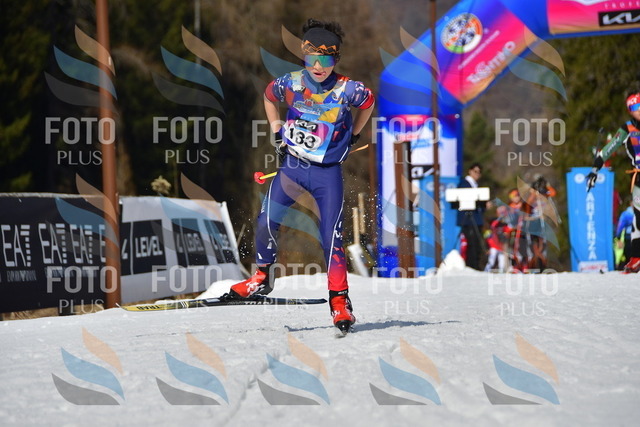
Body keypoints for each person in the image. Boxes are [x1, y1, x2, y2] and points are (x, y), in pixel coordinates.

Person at [228, 19, 375, 330]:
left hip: (326, 174)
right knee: (266, 221)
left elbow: (369, 103)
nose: (319, 67)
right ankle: (261, 277)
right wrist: (277, 131)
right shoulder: (291, 83)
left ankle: (340, 301)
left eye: (327, 60)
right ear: (303, 56)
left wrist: (354, 136)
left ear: (336, 59)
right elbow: (268, 97)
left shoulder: (348, 89)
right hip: (293, 168)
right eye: (312, 59)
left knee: (330, 237)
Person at [587, 88, 640, 273]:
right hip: (639, 177)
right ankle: (636, 258)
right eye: (636, 108)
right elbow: (608, 150)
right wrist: (595, 170)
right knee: (638, 219)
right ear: (631, 111)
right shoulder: (628, 129)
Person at [454, 163, 488, 270]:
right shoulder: (464, 183)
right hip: (468, 219)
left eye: (479, 172)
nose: (477, 174)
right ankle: (471, 266)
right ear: (470, 171)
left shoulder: (475, 185)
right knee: (471, 244)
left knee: (476, 244)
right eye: (475, 171)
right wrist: (482, 203)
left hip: (476, 219)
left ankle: (476, 266)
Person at [615, 198, 634, 270]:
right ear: (631, 202)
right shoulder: (626, 214)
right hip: (629, 236)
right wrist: (618, 236)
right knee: (629, 252)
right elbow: (620, 226)